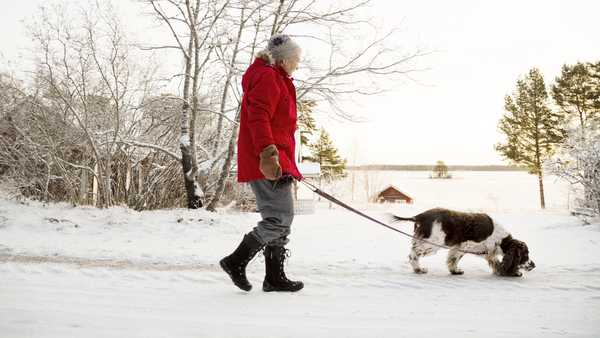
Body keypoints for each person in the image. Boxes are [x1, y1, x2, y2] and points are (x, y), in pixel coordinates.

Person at [220, 34, 304, 292]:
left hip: (277, 157)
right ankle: (236, 261)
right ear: (285, 59)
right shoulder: (268, 77)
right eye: (297, 60)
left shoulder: (276, 77)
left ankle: (274, 278)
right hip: (267, 159)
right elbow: (258, 117)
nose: (298, 65)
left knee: (281, 218)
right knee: (279, 217)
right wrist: (268, 154)